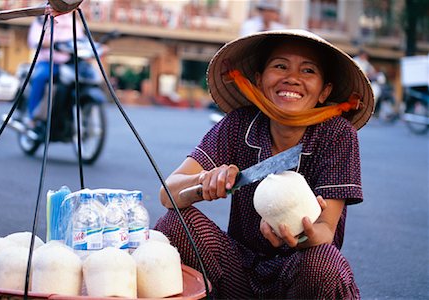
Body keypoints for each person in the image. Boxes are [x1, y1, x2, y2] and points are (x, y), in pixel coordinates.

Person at [154, 29, 374, 299]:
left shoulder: (337, 134)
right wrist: (203, 183)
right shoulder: (238, 124)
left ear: (324, 91)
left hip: (301, 273)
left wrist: (299, 237)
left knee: (323, 261)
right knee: (176, 224)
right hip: (238, 272)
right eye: (280, 66)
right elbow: (168, 194)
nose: (292, 78)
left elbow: (325, 231)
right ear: (259, 81)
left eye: (308, 71)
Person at [25, 11, 84, 126]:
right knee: (40, 77)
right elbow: (34, 40)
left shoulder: (72, 20)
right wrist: (50, 43)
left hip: (68, 64)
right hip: (48, 62)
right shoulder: (42, 18)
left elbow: (81, 40)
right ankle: (32, 117)